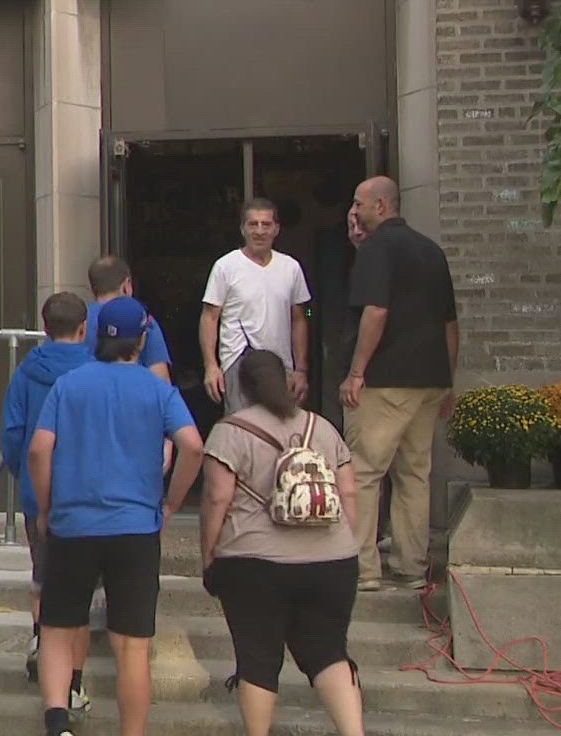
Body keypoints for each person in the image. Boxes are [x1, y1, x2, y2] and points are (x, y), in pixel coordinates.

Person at [29, 297, 203, 736]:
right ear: (141, 340)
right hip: (136, 528)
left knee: (56, 629)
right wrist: (171, 503)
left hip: (74, 525)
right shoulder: (158, 389)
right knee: (132, 647)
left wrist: (46, 508)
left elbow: (38, 449)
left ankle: (57, 724)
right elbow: (193, 446)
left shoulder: (69, 384)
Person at [201, 349, 365, 736]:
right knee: (328, 653)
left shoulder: (230, 431)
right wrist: (347, 543)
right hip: (334, 562)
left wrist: (209, 554)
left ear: (243, 387)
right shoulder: (322, 427)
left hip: (253, 562)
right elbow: (350, 494)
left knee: (257, 657)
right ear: (287, 382)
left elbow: (217, 498)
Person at [340, 177, 458, 592]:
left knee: (364, 473)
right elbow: (450, 324)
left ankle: (362, 568)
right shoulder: (432, 251)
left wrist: (356, 372)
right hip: (429, 380)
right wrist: (448, 380)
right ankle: (411, 566)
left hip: (385, 381)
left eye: (360, 204)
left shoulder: (377, 248)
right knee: (414, 474)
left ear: (382, 206)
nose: (355, 212)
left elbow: (376, 310)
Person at [0, 291, 94, 707]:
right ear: (83, 327)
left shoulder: (26, 371)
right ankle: (74, 679)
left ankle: (40, 641)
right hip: (89, 492)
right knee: (82, 590)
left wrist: (23, 473)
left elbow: (13, 432)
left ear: (44, 327)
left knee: (43, 576)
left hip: (40, 493)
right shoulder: (96, 369)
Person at [201, 198, 312, 411]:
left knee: (280, 433)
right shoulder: (226, 266)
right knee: (242, 432)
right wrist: (211, 366)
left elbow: (299, 319)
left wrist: (301, 370)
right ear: (243, 229)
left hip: (281, 367)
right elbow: (209, 317)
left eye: (266, 224)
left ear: (276, 229)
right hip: (238, 363)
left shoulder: (291, 268)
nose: (259, 231)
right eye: (253, 224)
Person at [86, 256, 171, 382]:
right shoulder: (141, 319)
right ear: (127, 285)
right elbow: (160, 379)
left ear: (92, 287)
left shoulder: (78, 320)